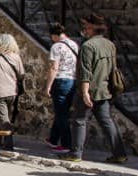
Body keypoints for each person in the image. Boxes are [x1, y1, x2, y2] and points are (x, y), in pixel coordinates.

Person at [60, 14, 128, 164]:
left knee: (79, 120)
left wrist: (84, 92)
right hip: (104, 89)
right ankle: (119, 153)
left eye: (85, 27)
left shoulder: (87, 46)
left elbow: (86, 72)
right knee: (106, 121)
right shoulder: (110, 45)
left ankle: (76, 153)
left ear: (91, 28)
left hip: (90, 90)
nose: (84, 30)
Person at [43, 23, 79, 153]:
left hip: (61, 80)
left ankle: (66, 144)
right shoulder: (74, 44)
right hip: (72, 80)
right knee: (62, 111)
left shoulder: (56, 47)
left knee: (61, 114)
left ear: (54, 35)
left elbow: (54, 68)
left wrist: (48, 86)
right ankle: (53, 139)